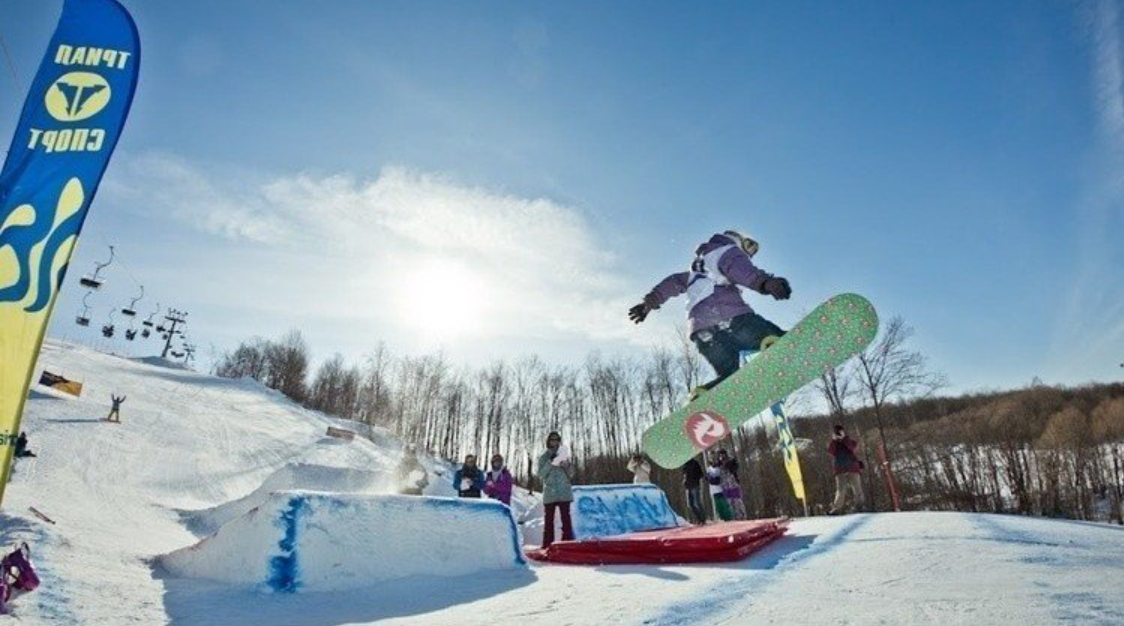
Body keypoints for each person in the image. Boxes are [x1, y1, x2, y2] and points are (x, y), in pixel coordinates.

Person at [628, 230, 791, 393]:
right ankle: (780, 343)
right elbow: (742, 271)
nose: (749, 255)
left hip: (701, 332)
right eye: (749, 249)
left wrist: (648, 303)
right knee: (767, 334)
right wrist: (766, 283)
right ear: (739, 241)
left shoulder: (696, 270)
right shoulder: (727, 251)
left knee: (731, 373)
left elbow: (673, 282)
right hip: (732, 319)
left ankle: (710, 394)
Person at [537, 431, 574, 547]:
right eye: (552, 439)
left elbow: (571, 473)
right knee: (549, 522)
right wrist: (550, 462)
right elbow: (541, 475)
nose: (555, 442)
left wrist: (566, 466)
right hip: (550, 493)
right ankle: (547, 545)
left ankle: (568, 545)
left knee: (566, 521)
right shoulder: (543, 457)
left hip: (564, 492)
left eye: (557, 439)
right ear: (548, 441)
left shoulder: (564, 455)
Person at [828, 424, 864, 515]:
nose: (838, 434)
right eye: (836, 432)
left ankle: (860, 507)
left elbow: (852, 447)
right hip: (840, 469)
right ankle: (836, 509)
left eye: (840, 432)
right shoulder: (834, 443)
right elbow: (831, 452)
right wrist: (834, 440)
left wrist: (844, 438)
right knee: (840, 490)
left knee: (857, 488)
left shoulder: (849, 441)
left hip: (852, 467)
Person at [717, 449, 747, 520]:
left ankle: (742, 516)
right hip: (725, 485)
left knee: (737, 501)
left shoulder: (731, 460)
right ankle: (734, 518)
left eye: (722, 454)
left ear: (725, 454)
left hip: (733, 483)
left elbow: (735, 468)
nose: (721, 456)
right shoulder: (719, 464)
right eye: (719, 455)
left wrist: (728, 464)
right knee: (729, 502)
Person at [706, 453, 732, 521]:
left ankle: (729, 518)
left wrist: (712, 479)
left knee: (724, 505)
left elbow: (717, 480)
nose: (713, 460)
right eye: (711, 458)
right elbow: (708, 479)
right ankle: (723, 518)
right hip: (714, 490)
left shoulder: (719, 468)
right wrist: (711, 479)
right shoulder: (709, 469)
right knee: (718, 506)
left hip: (721, 489)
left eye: (714, 458)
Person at [682, 457, 707, 524]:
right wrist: (684, 481)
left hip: (695, 485)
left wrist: (695, 479)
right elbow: (684, 475)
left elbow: (700, 474)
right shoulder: (685, 464)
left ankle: (703, 519)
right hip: (688, 486)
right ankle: (699, 519)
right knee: (690, 504)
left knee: (697, 502)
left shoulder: (695, 463)